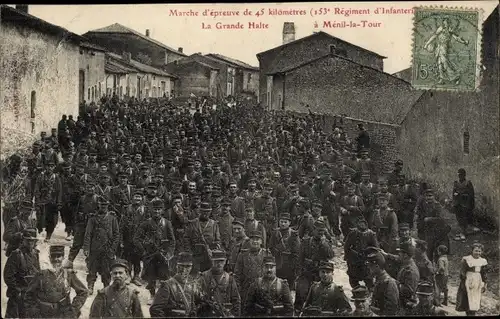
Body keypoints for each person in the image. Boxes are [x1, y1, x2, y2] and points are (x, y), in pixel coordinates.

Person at [24, 245, 89, 318]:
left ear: (63, 258)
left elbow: (83, 292)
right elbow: (28, 295)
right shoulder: (41, 275)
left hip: (62, 314)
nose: (56, 259)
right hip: (43, 314)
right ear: (49, 258)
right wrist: (34, 312)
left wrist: (73, 310)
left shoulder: (68, 274)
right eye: (53, 256)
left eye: (59, 256)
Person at [149, 252, 203, 317]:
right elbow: (155, 309)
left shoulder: (192, 284)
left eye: (187, 266)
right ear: (177, 266)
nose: (184, 270)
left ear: (191, 267)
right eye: (181, 266)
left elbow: (197, 303)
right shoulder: (167, 285)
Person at [3, 229, 40, 318]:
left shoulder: (35, 254)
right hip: (18, 294)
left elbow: (38, 272)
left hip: (30, 293)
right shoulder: (16, 254)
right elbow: (8, 276)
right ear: (23, 240)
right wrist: (17, 291)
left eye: (32, 241)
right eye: (28, 240)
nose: (30, 243)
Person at [198, 250, 241, 317]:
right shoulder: (204, 277)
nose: (219, 264)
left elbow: (236, 300)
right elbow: (198, 300)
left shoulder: (229, 278)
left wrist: (235, 315)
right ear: (212, 261)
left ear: (225, 262)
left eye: (221, 261)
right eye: (216, 261)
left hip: (225, 314)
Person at [455, 242, 488, 316]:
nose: (478, 253)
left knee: (476, 297)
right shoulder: (467, 259)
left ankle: (473, 312)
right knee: (467, 297)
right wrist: (464, 281)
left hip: (478, 280)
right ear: (472, 251)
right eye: (476, 250)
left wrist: (485, 283)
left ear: (481, 252)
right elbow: (463, 272)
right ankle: (468, 312)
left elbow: (483, 273)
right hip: (468, 280)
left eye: (479, 251)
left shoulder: (483, 261)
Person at [366, 251, 399, 316]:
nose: (368, 268)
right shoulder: (379, 279)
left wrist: (371, 310)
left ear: (377, 266)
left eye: (370, 266)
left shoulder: (389, 283)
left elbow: (391, 311)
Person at [452, 168, 476, 241]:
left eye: (461, 175)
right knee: (459, 218)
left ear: (464, 175)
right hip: (457, 203)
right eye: (459, 175)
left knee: (464, 218)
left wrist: (471, 204)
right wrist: (454, 198)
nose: (460, 176)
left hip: (465, 204)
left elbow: (471, 194)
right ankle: (462, 231)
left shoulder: (468, 183)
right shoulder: (456, 183)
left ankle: (464, 233)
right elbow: (453, 192)